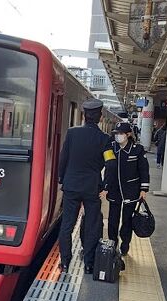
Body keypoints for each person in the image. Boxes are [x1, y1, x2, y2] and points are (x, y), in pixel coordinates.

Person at [58, 98, 116, 274]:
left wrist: (62, 178)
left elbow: (63, 158)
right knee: (92, 225)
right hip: (92, 188)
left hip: (71, 186)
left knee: (67, 225)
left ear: (84, 116)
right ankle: (89, 263)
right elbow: (111, 163)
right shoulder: (104, 139)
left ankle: (65, 262)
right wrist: (105, 185)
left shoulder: (72, 133)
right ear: (99, 117)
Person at [104, 122, 150, 256]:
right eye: (116, 134)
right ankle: (112, 244)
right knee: (113, 220)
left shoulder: (137, 150)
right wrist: (105, 186)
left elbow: (144, 170)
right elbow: (108, 169)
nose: (118, 136)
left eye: (120, 134)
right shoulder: (111, 148)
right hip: (114, 190)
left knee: (127, 221)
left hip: (131, 191)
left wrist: (144, 189)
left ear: (128, 135)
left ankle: (125, 245)